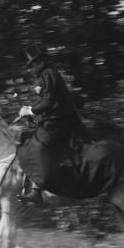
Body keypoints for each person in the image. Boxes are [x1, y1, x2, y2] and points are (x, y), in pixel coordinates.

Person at [15, 44, 87, 204]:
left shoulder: (48, 74)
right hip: (56, 120)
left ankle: (37, 190)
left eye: (32, 65)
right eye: (29, 66)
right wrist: (28, 109)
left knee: (37, 145)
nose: (30, 69)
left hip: (61, 122)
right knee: (29, 137)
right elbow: (45, 100)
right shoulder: (46, 76)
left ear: (40, 63)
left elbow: (48, 101)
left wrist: (31, 111)